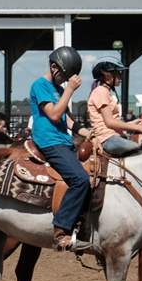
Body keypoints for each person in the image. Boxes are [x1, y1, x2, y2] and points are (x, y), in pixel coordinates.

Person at [29, 46, 87, 252]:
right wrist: (70, 89)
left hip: (64, 140)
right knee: (80, 179)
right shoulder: (40, 85)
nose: (65, 81)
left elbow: (67, 119)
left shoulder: (60, 90)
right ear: (54, 67)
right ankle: (61, 229)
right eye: (64, 76)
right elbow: (54, 114)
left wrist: (86, 132)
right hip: (49, 142)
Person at [85, 60, 142, 156]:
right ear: (107, 75)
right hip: (107, 139)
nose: (121, 77)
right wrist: (138, 127)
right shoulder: (101, 92)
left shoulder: (105, 92)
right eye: (118, 74)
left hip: (113, 137)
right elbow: (110, 122)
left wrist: (131, 124)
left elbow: (110, 122)